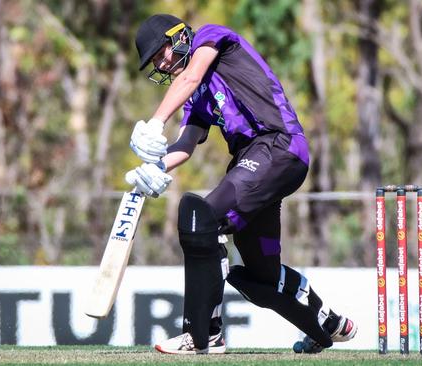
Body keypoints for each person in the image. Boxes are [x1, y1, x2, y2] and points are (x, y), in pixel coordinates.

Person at [125, 14, 357, 355]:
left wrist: (155, 122)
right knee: (261, 278)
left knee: (201, 217)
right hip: (258, 162)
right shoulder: (196, 96)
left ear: (178, 37)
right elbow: (186, 146)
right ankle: (328, 324)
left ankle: (203, 334)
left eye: (161, 53)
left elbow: (190, 76)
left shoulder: (211, 37)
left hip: (278, 144)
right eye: (155, 62)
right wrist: (152, 168)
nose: (161, 63)